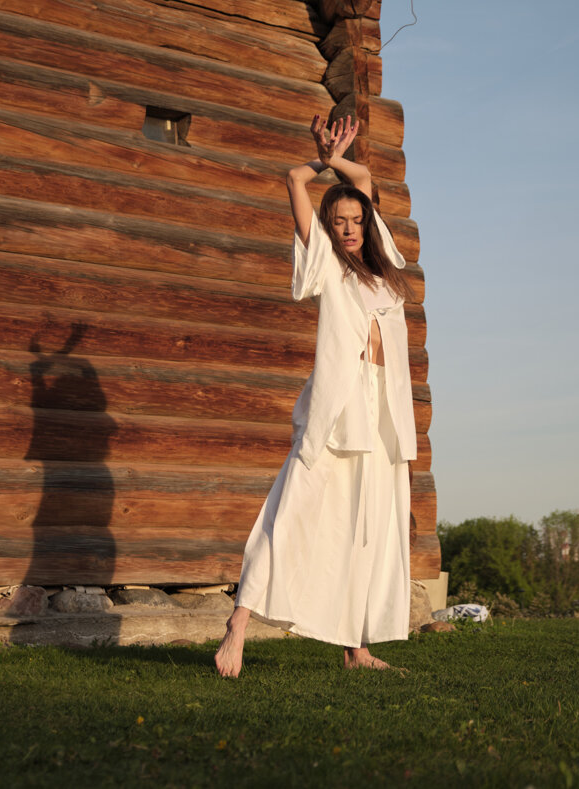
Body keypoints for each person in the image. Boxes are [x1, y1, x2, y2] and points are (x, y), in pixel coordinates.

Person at [215, 114, 419, 678]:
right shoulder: (326, 261)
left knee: (368, 528)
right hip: (336, 411)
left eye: (357, 219)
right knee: (292, 511)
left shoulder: (383, 272)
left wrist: (343, 162)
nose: (350, 227)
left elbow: (367, 180)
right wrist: (321, 162)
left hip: (382, 417)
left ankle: (356, 649)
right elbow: (291, 179)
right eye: (341, 220)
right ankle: (239, 625)